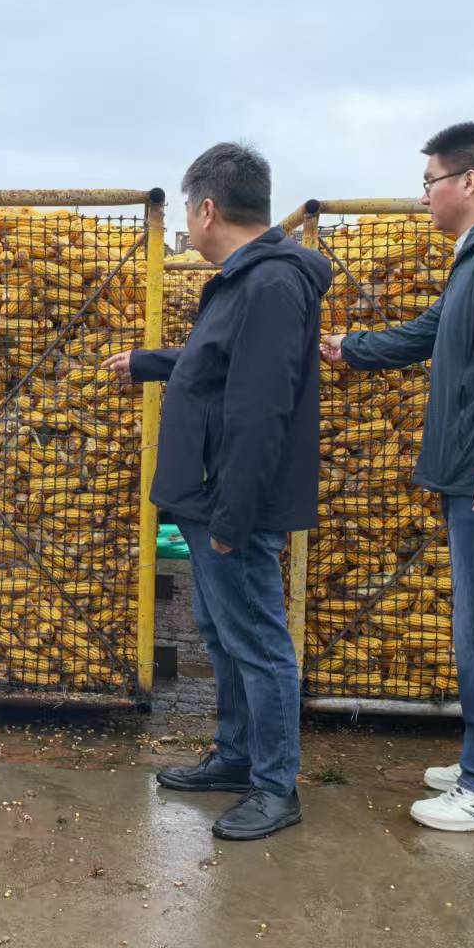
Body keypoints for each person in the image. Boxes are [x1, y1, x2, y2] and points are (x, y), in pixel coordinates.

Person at [321, 121, 474, 832]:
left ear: (469, 180)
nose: (423, 195)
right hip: (473, 471)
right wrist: (352, 348)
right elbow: (431, 331)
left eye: (428, 182)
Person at [107, 142, 332, 841]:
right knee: (223, 634)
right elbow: (220, 364)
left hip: (231, 504)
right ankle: (236, 755)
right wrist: (152, 361)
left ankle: (274, 785)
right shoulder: (246, 281)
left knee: (258, 643)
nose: (186, 222)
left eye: (185, 209)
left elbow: (260, 408)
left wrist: (235, 515)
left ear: (207, 209)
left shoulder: (271, 284)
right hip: (208, 499)